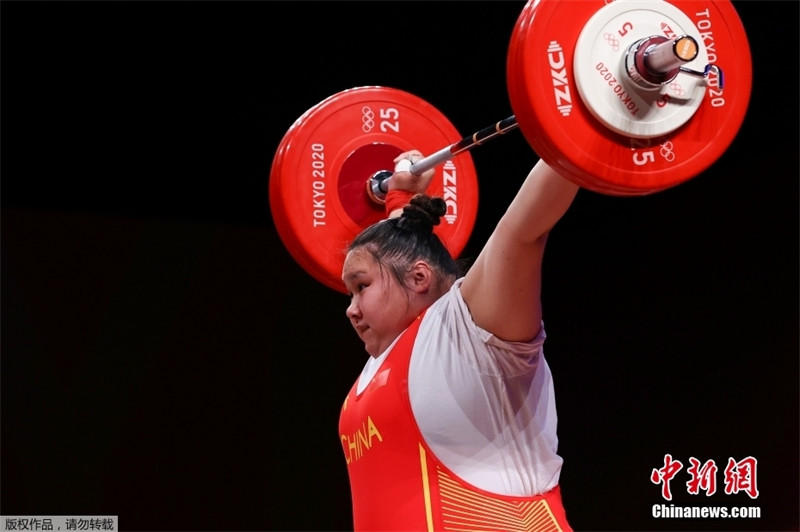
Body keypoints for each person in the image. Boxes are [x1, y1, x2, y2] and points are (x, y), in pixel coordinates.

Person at [338, 148, 580, 532]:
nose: (351, 309)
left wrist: (581, 130)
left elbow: (524, 229)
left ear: (419, 279)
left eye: (361, 286)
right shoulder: (386, 361)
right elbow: (398, 253)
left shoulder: (469, 331)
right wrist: (401, 199)